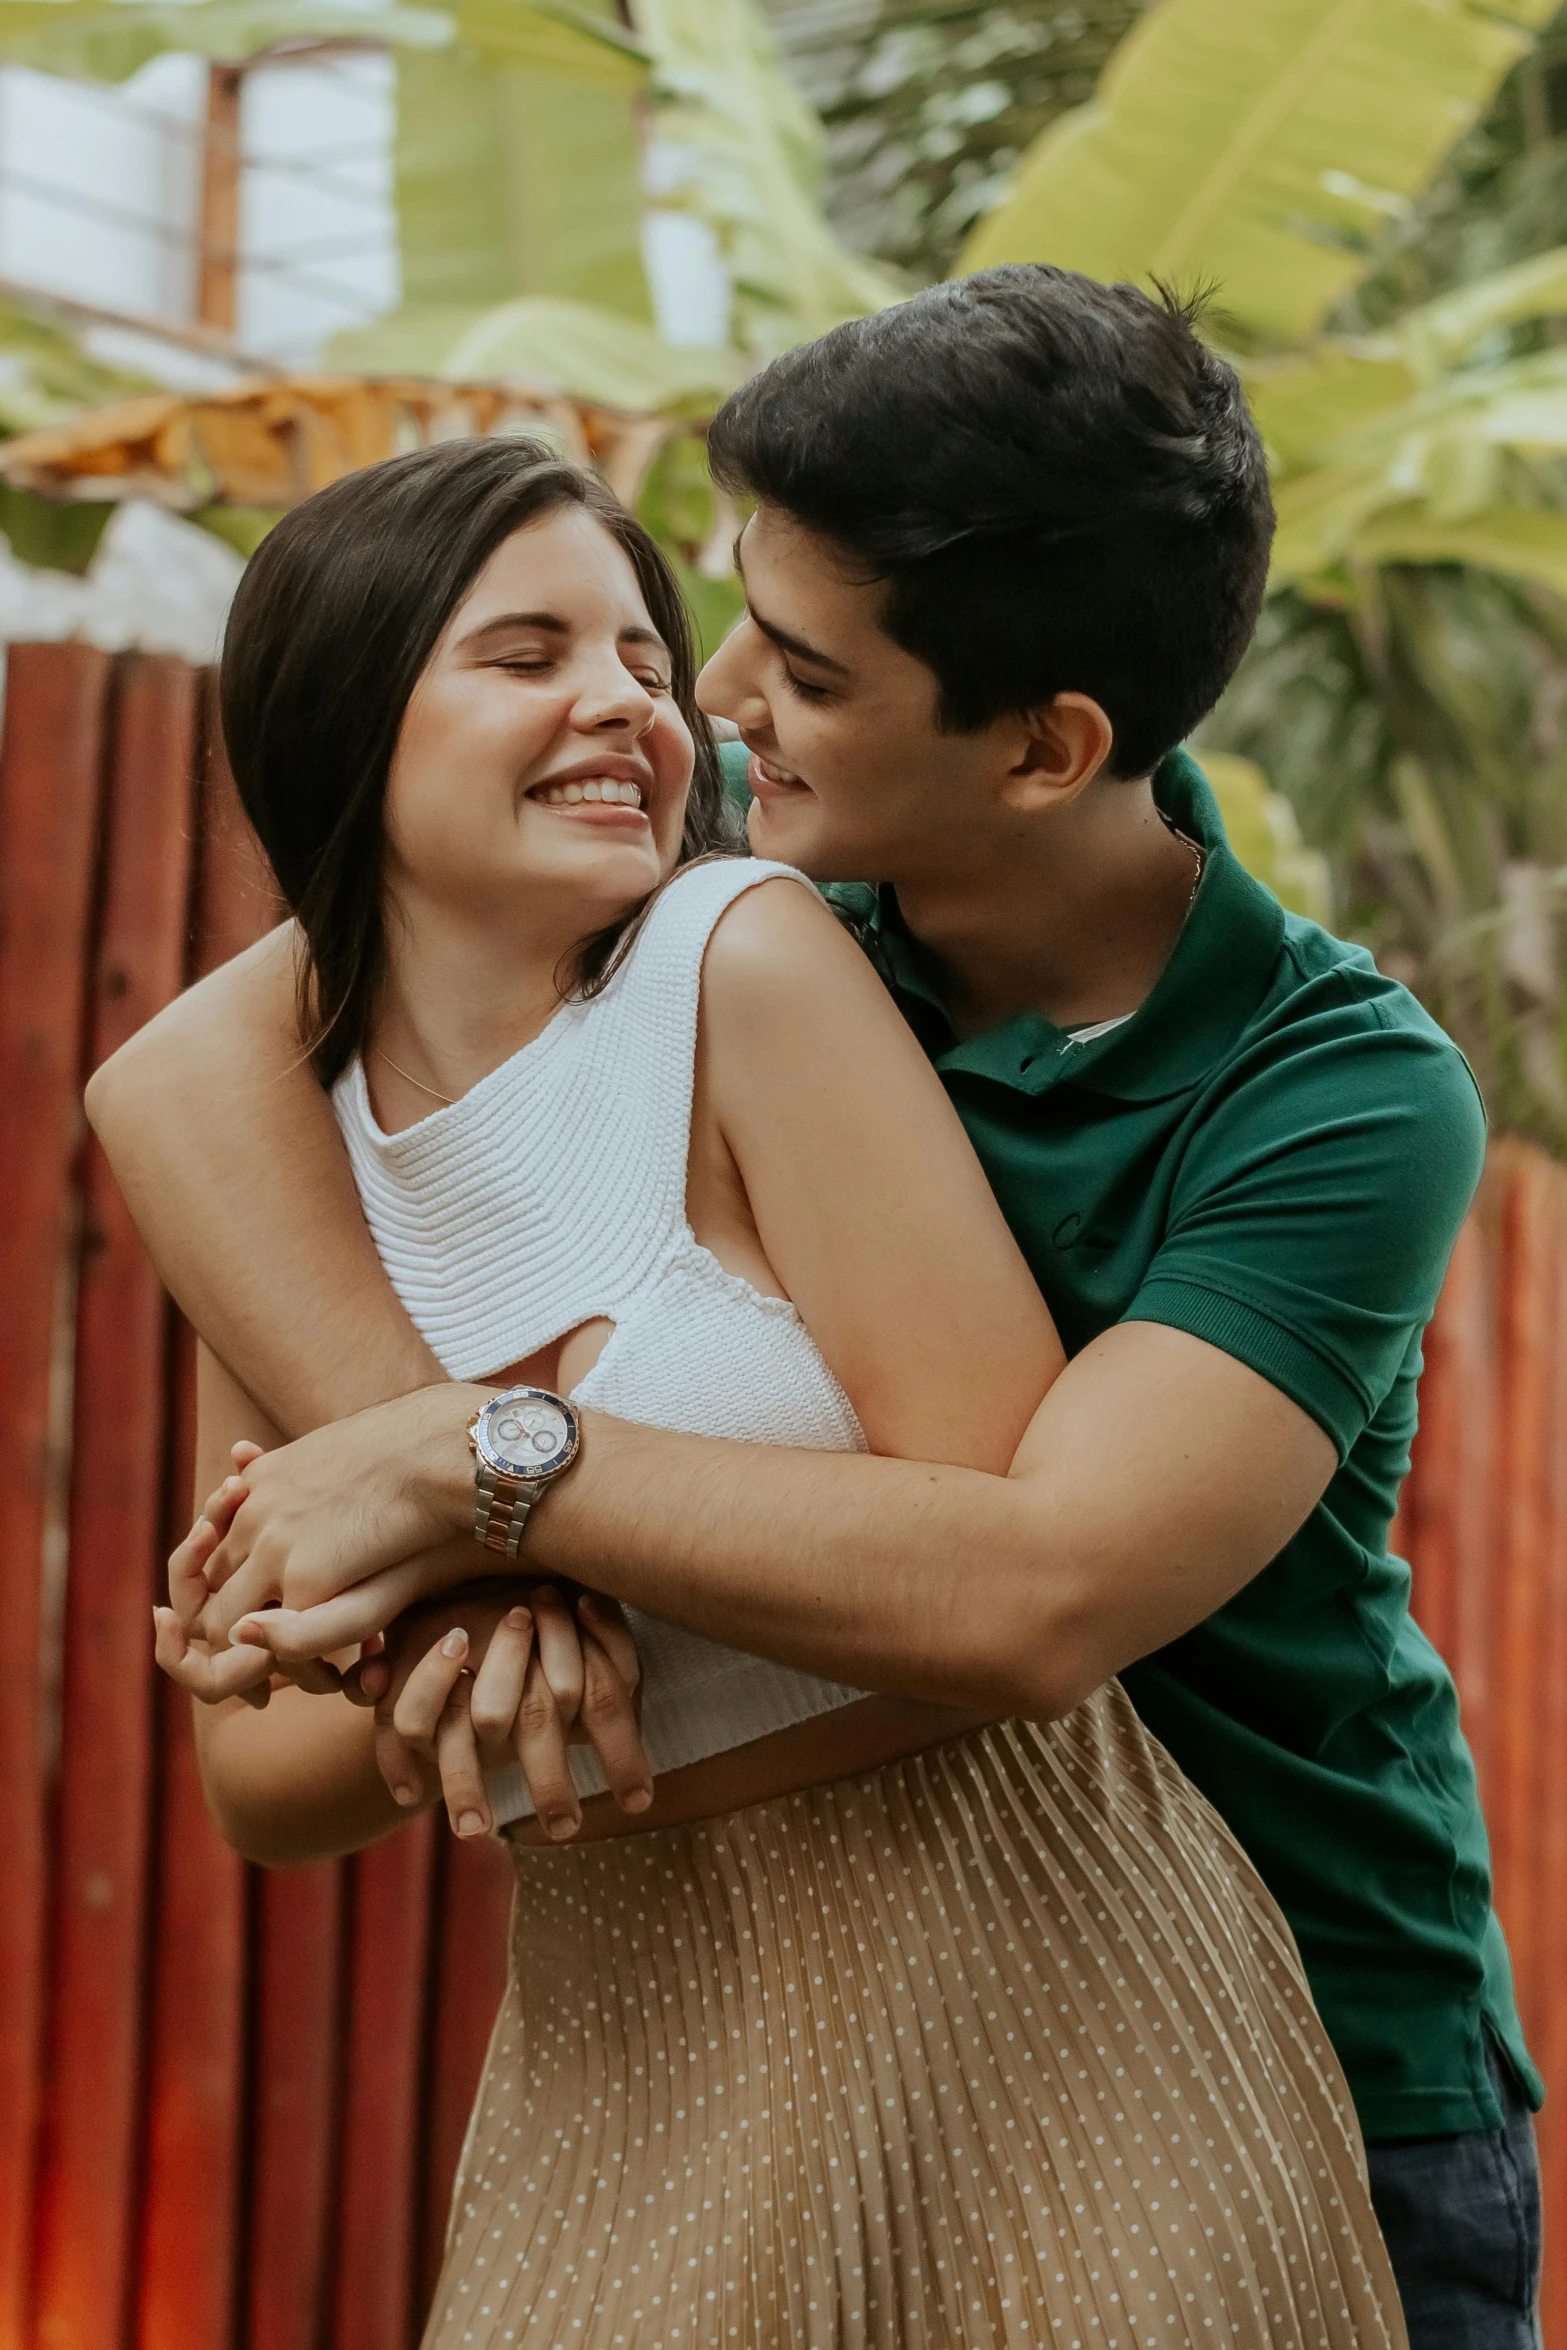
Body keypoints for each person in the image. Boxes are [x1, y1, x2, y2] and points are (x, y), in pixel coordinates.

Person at [85, 269, 1534, 2346]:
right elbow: (192, 1066)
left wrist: (465, 1473)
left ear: (1048, 746)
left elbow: (1037, 1596)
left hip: (1274, 2023)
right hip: (705, 2041)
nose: (716, 694)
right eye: (734, 612)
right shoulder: (706, 938)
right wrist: (469, 1594)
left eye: (809, 669)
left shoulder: (1337, 1095)